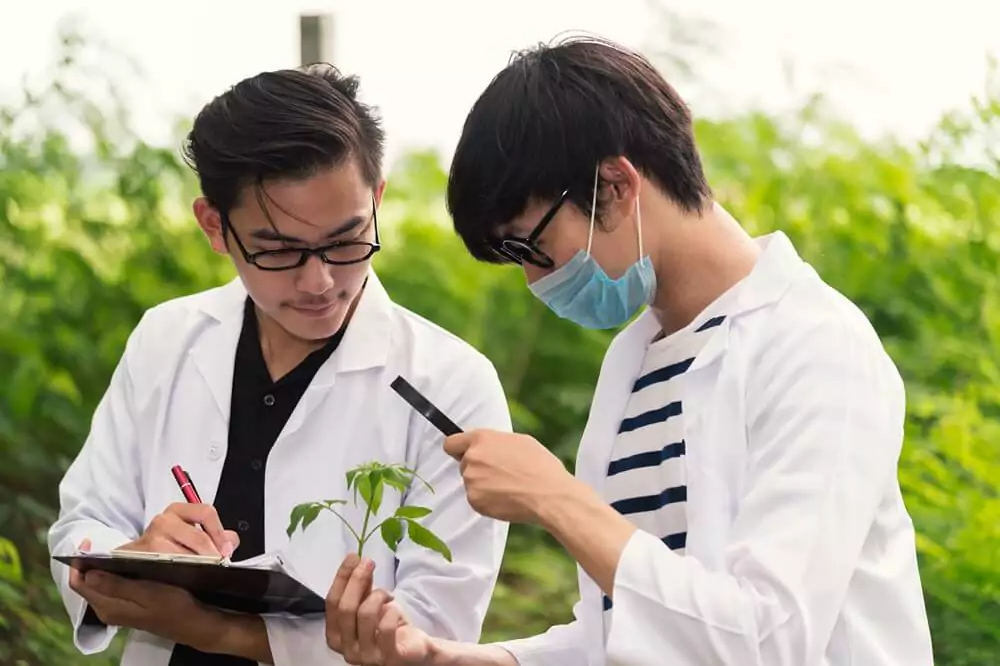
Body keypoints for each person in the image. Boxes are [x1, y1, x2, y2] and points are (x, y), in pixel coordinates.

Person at [326, 36, 935, 666]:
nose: (536, 281)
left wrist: (557, 500)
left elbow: (768, 640)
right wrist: (444, 659)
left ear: (615, 185)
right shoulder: (635, 360)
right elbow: (620, 634)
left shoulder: (813, 347)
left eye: (529, 247)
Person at [47, 64, 511, 666]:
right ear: (215, 226)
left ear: (377, 198)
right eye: (278, 251)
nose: (319, 281)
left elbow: (436, 630)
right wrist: (135, 554)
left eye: (346, 241)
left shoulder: (450, 384)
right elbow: (82, 524)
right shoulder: (168, 339)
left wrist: (214, 631)